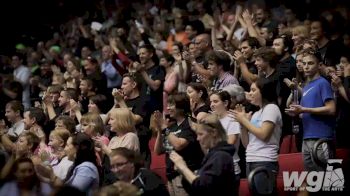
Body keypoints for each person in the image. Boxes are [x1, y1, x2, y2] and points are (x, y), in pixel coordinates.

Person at [286, 49, 336, 171]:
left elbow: (331, 109)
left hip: (322, 137)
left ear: (319, 65)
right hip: (307, 137)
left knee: (326, 180)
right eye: (304, 63)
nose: (306, 66)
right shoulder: (307, 85)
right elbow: (305, 112)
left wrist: (304, 109)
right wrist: (297, 112)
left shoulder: (322, 83)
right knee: (313, 181)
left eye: (310, 63)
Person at [231, 78, 282, 194]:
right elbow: (247, 144)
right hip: (250, 159)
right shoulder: (256, 114)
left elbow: (264, 135)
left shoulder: (271, 108)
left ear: (263, 91)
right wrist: (243, 125)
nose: (250, 94)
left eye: (253, 90)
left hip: (265, 160)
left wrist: (244, 121)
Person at [169, 114, 236, 196]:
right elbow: (194, 188)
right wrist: (183, 172)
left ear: (214, 132)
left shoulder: (221, 157)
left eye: (201, 134)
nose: (198, 138)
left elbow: (203, 188)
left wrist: (183, 168)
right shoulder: (212, 155)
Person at [153, 93, 203, 196]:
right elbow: (158, 151)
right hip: (171, 175)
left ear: (181, 107)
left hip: (185, 175)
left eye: (171, 104)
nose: (168, 108)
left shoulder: (190, 124)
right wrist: (159, 130)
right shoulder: (172, 127)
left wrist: (164, 128)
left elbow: (179, 145)